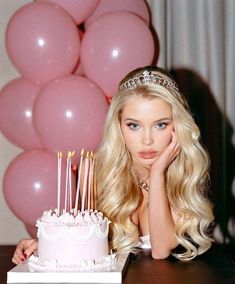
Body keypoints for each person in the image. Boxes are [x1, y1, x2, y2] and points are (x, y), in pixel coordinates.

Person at [12, 66, 214, 264]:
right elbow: (85, 241)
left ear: (176, 127)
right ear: (118, 126)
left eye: (160, 124)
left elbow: (161, 251)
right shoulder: (96, 171)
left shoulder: (185, 173)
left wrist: (157, 175)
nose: (147, 140)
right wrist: (46, 247)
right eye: (133, 125)